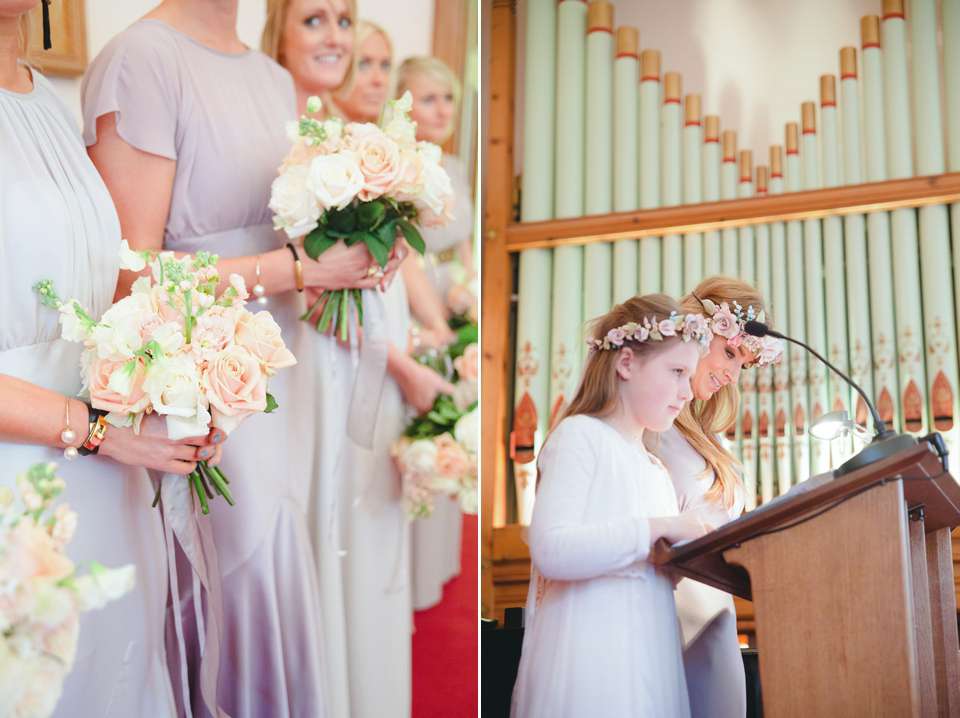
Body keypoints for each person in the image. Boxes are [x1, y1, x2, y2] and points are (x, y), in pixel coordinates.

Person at [80, 1, 397, 714]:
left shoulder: (272, 77)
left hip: (287, 364)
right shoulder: (145, 60)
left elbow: (292, 232)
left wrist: (361, 246)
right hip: (198, 376)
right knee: (239, 586)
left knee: (284, 564)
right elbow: (129, 275)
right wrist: (296, 270)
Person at [0, 2, 223, 715]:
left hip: (104, 468)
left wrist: (174, 381)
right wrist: (96, 428)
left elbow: (105, 280)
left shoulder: (46, 98)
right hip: (26, 463)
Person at [262, 3, 454, 716]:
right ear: (277, 30)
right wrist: (403, 367)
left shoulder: (352, 137)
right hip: (330, 358)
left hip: (378, 346)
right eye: (315, 21)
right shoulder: (292, 141)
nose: (336, 38)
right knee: (339, 522)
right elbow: (313, 290)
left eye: (344, 20)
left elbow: (386, 269)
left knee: (374, 520)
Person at [510, 294, 715, 718]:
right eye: (676, 372)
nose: (685, 392)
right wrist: (663, 525)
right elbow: (551, 549)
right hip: (592, 657)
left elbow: (648, 562)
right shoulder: (580, 436)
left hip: (650, 652)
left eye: (689, 376)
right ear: (626, 363)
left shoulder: (656, 468)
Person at [644, 275, 784, 718]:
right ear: (698, 330)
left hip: (716, 614)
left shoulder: (711, 438)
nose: (732, 373)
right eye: (728, 352)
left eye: (743, 361)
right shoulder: (651, 420)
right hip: (666, 617)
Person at [395, 55, 477, 610]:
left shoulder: (457, 168)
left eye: (446, 97)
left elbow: (464, 244)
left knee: (452, 428)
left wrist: (470, 289)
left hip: (454, 309)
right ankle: (407, 572)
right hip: (414, 310)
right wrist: (436, 319)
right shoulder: (399, 169)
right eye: (427, 98)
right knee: (414, 427)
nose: (442, 109)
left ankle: (439, 562)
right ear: (403, 106)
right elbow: (403, 253)